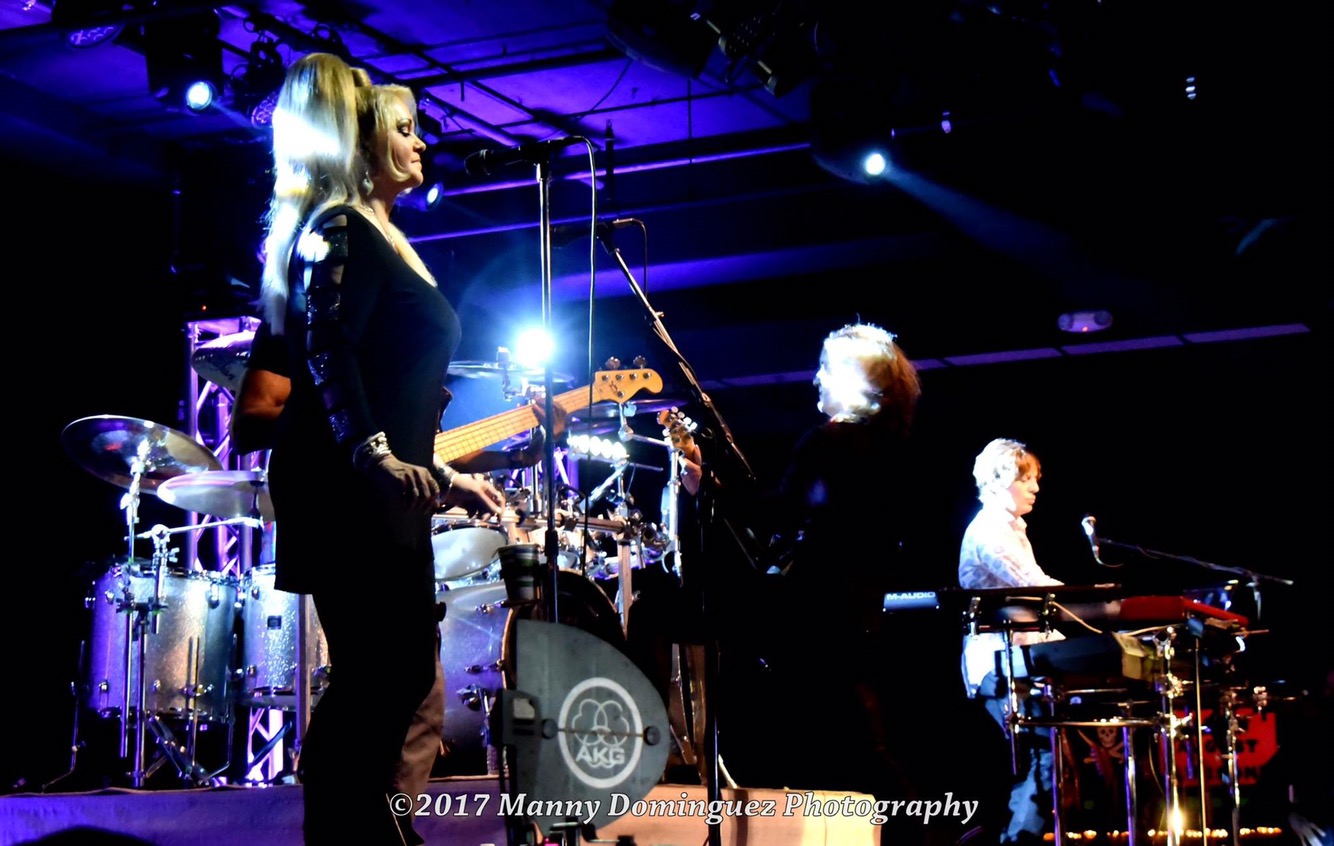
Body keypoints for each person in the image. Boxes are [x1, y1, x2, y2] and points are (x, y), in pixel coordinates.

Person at [257, 54, 506, 845]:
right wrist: (373, 455)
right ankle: (344, 833)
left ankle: (365, 831)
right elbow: (328, 350)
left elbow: (386, 385)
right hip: (348, 491)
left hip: (380, 488)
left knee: (397, 677)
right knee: (381, 676)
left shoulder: (378, 237)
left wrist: (439, 473)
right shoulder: (339, 230)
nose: (423, 141)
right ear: (361, 142)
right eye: (403, 128)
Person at [669, 323, 925, 828]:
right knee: (854, 731)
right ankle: (897, 826)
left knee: (830, 736)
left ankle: (891, 827)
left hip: (818, 613)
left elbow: (777, 515)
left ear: (855, 377)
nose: (816, 378)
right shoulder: (891, 444)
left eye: (827, 368)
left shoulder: (829, 443)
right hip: (859, 607)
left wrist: (706, 486)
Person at [958, 437, 1066, 846]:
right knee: (1040, 754)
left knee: (1040, 756)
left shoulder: (1011, 530)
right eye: (1026, 479)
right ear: (1002, 479)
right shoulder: (990, 530)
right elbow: (1034, 587)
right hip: (998, 664)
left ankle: (1009, 835)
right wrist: (1101, 611)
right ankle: (1013, 839)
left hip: (1016, 660)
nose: (1035, 488)